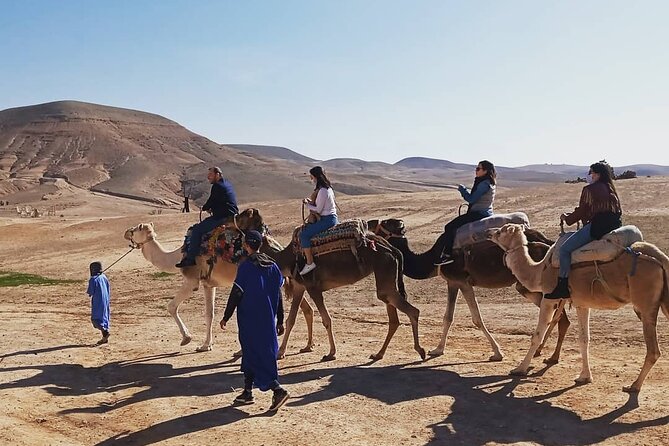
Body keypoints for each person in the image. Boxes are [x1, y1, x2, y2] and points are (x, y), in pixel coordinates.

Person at [220, 230, 289, 411]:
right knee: (252, 353)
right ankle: (248, 391)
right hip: (268, 321)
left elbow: (236, 293)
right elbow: (278, 295)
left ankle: (278, 390)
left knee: (257, 355)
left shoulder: (246, 267)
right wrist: (280, 320)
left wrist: (226, 316)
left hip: (250, 320)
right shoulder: (273, 267)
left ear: (246, 245)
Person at [544, 161, 622, 299]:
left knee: (564, 250)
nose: (589, 175)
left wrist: (567, 218)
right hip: (613, 226)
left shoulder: (589, 190)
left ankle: (562, 286)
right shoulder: (611, 188)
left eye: (591, 172)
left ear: (597, 174)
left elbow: (582, 211)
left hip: (597, 227)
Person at [435, 160, 497, 265]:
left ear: (485, 171)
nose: (476, 171)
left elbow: (471, 199)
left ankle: (447, 255)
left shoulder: (483, 184)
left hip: (479, 213)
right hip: (485, 212)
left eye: (478, 169)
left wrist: (462, 190)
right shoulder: (487, 182)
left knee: (449, 227)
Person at [176, 166, 239, 268]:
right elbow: (219, 201)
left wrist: (205, 207)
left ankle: (191, 259)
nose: (208, 177)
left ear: (217, 174)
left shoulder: (217, 186)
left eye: (210, 174)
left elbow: (211, 201)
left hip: (223, 217)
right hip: (231, 215)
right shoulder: (226, 184)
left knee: (196, 230)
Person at [298, 166, 338, 275]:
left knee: (304, 235)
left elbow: (318, 209)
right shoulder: (328, 189)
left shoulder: (323, 191)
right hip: (331, 218)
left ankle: (310, 262)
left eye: (312, 177)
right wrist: (310, 202)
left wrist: (307, 205)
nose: (311, 179)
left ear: (316, 176)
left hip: (327, 220)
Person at [87, 261, 111, 345]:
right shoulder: (104, 277)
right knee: (104, 317)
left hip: (98, 301)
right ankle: (104, 338)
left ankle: (105, 332)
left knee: (96, 319)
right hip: (106, 300)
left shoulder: (93, 279)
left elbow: (90, 293)